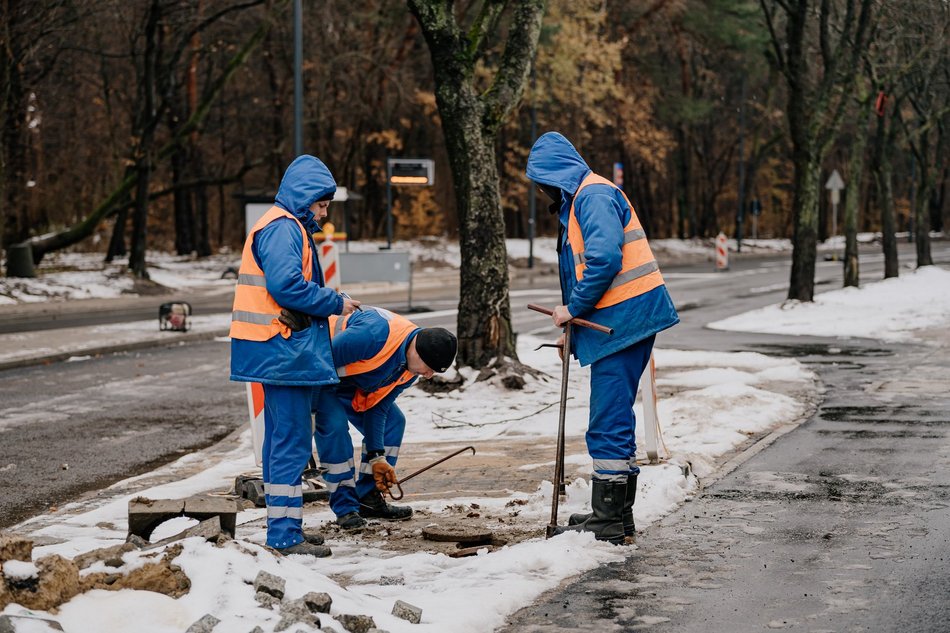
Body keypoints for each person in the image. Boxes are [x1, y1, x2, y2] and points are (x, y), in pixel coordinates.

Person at [525, 131, 679, 545]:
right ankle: (618, 516)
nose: (542, 193)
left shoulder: (590, 197)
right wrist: (571, 334)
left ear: (554, 177)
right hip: (623, 321)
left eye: (542, 184)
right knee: (615, 417)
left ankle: (608, 521)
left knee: (607, 420)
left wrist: (572, 310)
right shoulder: (585, 197)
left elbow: (605, 259)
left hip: (622, 323)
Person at [230, 155, 361, 557]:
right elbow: (287, 286)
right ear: (305, 198)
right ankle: (285, 535)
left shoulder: (284, 226)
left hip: (277, 349)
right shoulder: (284, 228)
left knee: (283, 442)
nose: (324, 212)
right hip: (281, 350)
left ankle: (285, 526)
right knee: (290, 442)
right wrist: (335, 302)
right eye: (321, 204)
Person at [282, 306, 457, 530]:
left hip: (351, 382)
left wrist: (377, 457)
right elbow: (318, 362)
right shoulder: (373, 336)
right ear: (417, 351)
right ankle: (346, 510)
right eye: (430, 367)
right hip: (320, 375)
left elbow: (378, 406)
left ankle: (368, 497)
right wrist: (312, 415)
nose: (429, 375)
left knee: (394, 423)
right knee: (334, 427)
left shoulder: (409, 369)